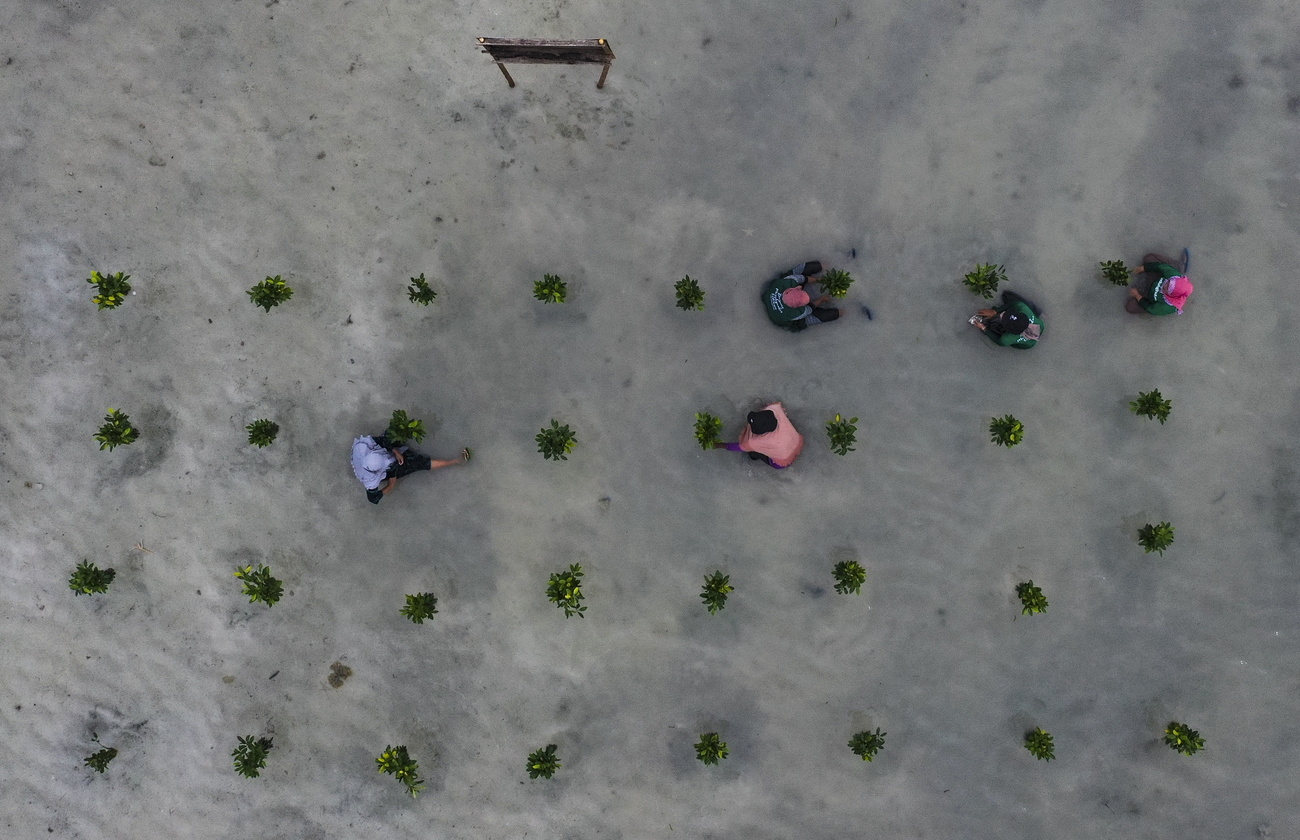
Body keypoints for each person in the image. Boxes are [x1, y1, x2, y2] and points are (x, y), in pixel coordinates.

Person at [351, 433, 468, 504]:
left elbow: (381, 441)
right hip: (390, 472)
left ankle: (397, 448)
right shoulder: (370, 481)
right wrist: (391, 485)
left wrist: (394, 451)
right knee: (419, 463)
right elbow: (373, 498)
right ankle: (457, 461)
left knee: (390, 437)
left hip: (383, 453)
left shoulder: (361, 448)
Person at [713, 402, 804, 468]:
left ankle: (755, 456)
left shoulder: (755, 442)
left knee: (752, 453)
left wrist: (717, 445)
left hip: (782, 461)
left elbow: (739, 447)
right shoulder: (776, 409)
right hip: (796, 441)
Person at [762, 260, 841, 331]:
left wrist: (818, 280)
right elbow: (810, 308)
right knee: (830, 315)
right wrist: (822, 299)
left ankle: (828, 264)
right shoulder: (795, 313)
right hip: (782, 318)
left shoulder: (788, 282)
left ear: (791, 289)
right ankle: (844, 312)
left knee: (811, 267)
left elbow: (803, 278)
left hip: (774, 290)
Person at [969, 290, 1044, 349]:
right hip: (1037, 327)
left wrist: (984, 328)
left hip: (1026, 344)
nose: (1002, 315)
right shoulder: (1024, 309)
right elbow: (1016, 303)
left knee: (991, 325)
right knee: (1007, 295)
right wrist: (995, 311)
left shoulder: (1007, 338)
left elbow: (999, 341)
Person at [1126, 250, 1193, 315]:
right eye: (1168, 282)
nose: (1164, 285)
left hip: (1151, 298)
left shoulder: (1167, 306)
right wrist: (1143, 268)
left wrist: (1137, 295)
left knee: (1130, 307)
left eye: (1167, 289)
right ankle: (1177, 266)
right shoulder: (1174, 277)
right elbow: (1161, 267)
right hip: (1156, 279)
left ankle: (1146, 300)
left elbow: (1150, 308)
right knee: (1149, 258)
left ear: (1172, 295)